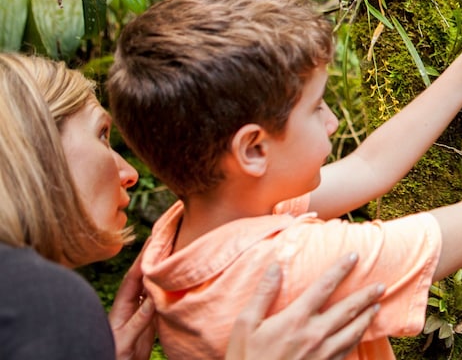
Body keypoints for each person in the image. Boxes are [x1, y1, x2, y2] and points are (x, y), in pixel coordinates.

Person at [106, 0, 462, 359]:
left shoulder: (187, 230)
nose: (333, 121)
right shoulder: (294, 263)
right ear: (254, 149)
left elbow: (369, 167)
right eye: (316, 107)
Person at [0, 51, 383, 360]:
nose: (128, 172)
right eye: (101, 133)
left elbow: (369, 168)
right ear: (34, 147)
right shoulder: (42, 303)